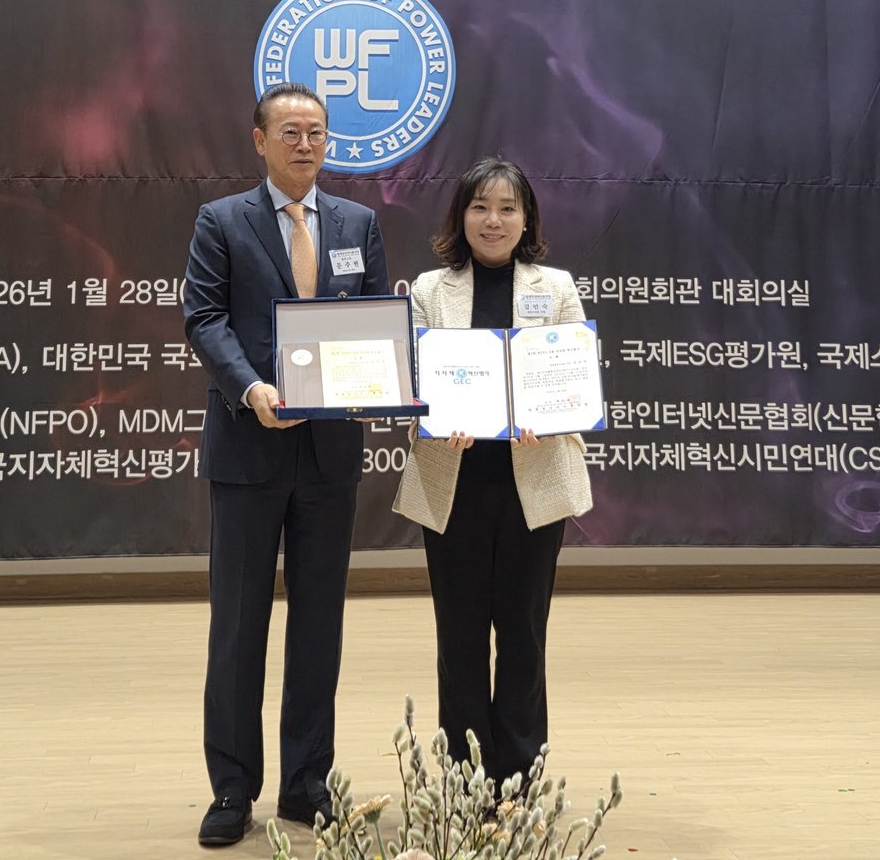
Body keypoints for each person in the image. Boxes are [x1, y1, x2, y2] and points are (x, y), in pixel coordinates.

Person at [184, 82, 389, 848]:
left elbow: (373, 324)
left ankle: (307, 785)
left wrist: (377, 385)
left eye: (317, 132)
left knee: (319, 627)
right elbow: (204, 317)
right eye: (291, 131)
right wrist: (250, 388)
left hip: (329, 457)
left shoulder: (358, 223)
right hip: (249, 448)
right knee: (239, 626)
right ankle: (232, 788)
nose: (305, 144)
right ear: (260, 140)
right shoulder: (222, 221)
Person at [393, 157, 592, 792]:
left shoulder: (555, 287)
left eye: (508, 208)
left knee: (524, 634)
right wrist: (434, 414)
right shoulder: (429, 290)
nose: (493, 220)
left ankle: (519, 778)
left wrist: (550, 415)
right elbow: (411, 383)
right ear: (461, 216)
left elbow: (573, 379)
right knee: (459, 637)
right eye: (480, 207)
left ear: (527, 218)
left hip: (534, 483)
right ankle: (462, 778)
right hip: (453, 481)